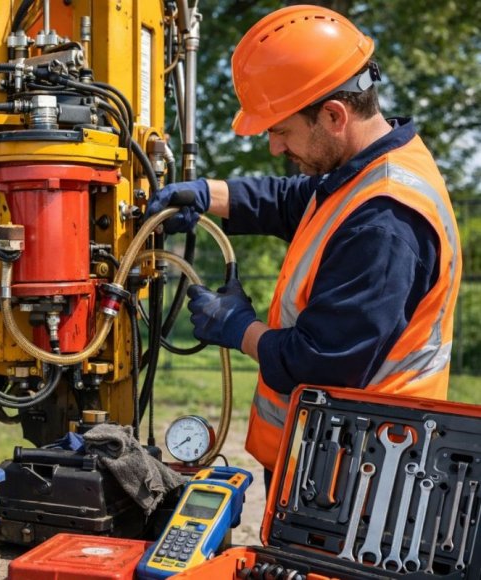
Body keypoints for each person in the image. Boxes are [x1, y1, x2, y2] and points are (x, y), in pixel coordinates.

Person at [145, 5, 462, 484]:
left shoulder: (387, 222)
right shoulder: (365, 172)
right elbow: (292, 200)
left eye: (281, 131)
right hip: (330, 459)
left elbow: (322, 363)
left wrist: (238, 328)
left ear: (334, 115)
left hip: (357, 476)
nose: (274, 147)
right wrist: (209, 194)